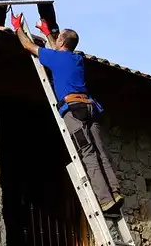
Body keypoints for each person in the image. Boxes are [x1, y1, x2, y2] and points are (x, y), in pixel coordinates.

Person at [11, 14, 124, 214]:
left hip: (74, 111)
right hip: (91, 109)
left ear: (62, 41)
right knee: (100, 152)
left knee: (88, 153)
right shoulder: (77, 59)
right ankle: (115, 192)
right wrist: (47, 33)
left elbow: (28, 46)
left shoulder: (55, 57)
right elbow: (58, 50)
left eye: (59, 37)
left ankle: (105, 201)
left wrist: (17, 28)